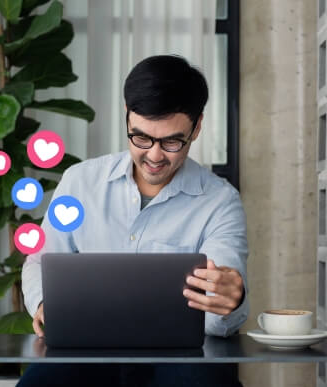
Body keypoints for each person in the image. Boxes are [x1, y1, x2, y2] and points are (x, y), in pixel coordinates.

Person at [18, 55, 248, 387]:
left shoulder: (220, 202)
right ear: (126, 114)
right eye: (141, 138)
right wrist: (42, 303)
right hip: (86, 353)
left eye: (171, 142)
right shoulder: (79, 181)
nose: (154, 156)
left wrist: (229, 300)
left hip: (183, 359)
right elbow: (40, 260)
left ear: (196, 127)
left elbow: (216, 319)